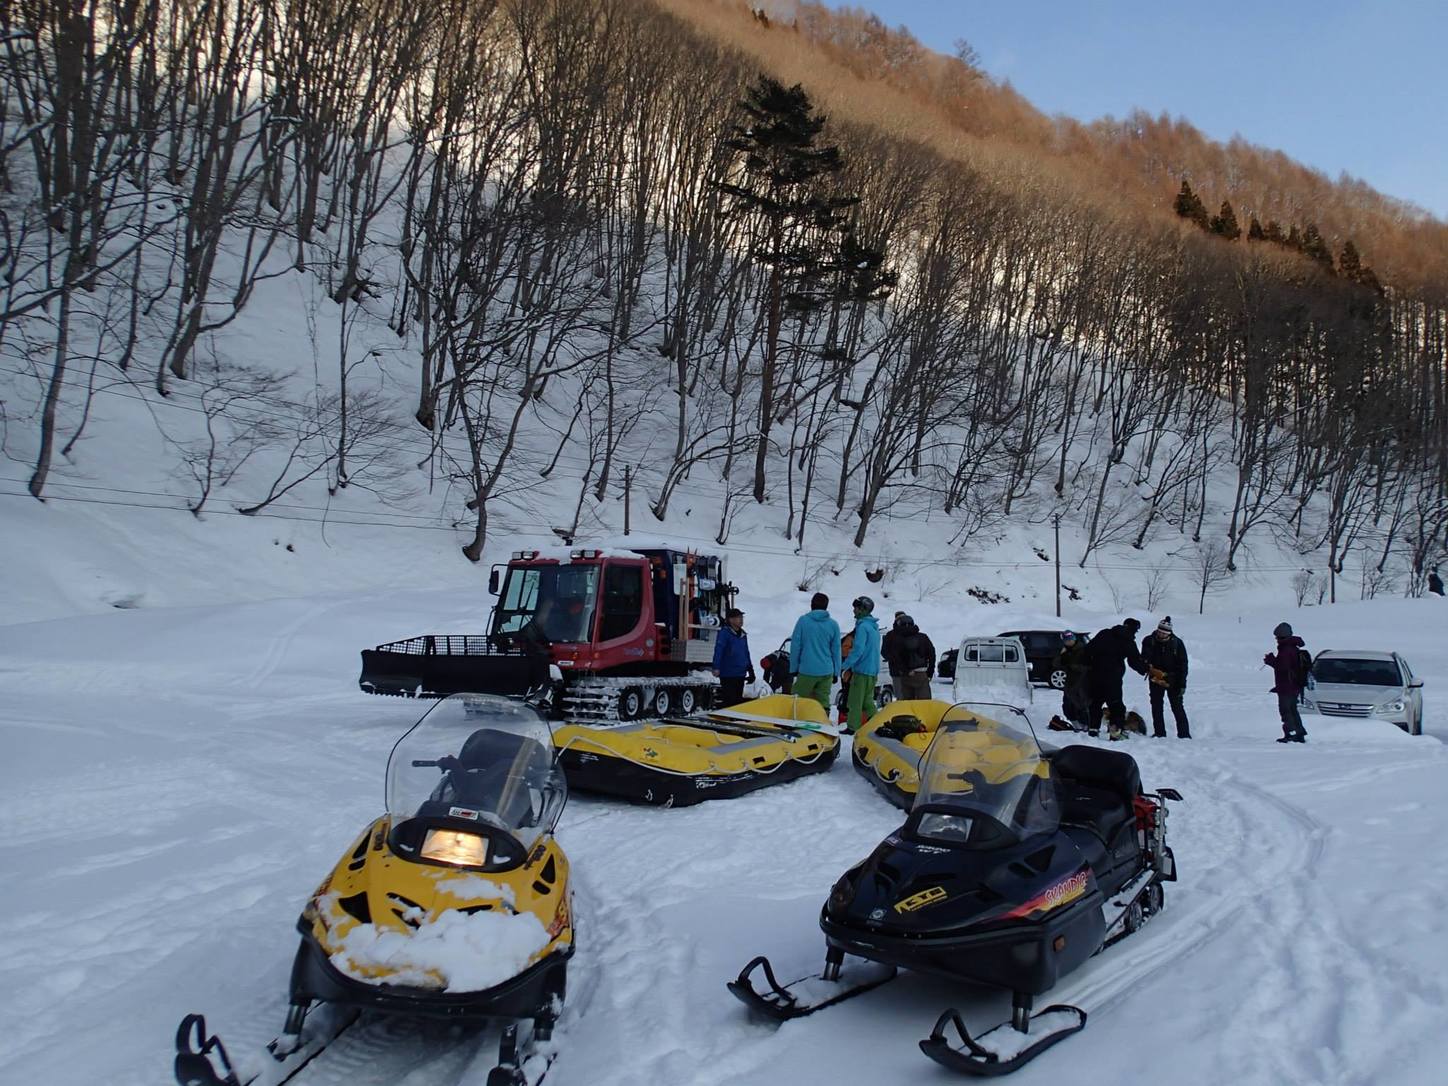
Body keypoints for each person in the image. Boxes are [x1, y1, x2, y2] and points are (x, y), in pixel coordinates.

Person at [1084, 618, 1148, 739]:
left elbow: (1088, 650)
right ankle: (1115, 733)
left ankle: (1093, 730)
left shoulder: (1104, 633)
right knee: (1116, 706)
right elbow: (1134, 661)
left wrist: (1090, 667)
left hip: (1095, 676)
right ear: (1134, 630)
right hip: (1113, 678)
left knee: (1095, 704)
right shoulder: (1128, 641)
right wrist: (1146, 669)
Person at [789, 593, 842, 714]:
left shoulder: (803, 621)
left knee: (798, 699)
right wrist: (836, 672)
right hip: (827, 670)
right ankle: (822, 722)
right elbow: (836, 650)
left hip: (807, 669)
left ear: (812, 604)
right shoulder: (833, 624)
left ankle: (797, 723)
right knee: (823, 700)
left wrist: (794, 668)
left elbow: (796, 646)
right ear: (826, 606)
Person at [1141, 616, 1191, 738]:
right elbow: (1144, 658)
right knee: (1156, 706)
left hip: (1173, 679)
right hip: (1155, 678)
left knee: (1177, 707)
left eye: (1164, 633)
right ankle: (1159, 733)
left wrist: (1182, 683)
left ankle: (1184, 734)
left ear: (1169, 633)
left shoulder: (1177, 643)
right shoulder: (1149, 640)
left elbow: (1183, 665)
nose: (1161, 634)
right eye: (1160, 631)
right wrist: (1148, 666)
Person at [840, 596, 882, 733]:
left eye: (856, 608)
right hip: (872, 671)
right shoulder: (874, 628)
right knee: (867, 701)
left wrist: (845, 665)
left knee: (855, 701)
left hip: (861, 671)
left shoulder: (863, 627)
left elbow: (858, 649)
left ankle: (852, 727)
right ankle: (878, 724)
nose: (854, 610)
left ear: (863, 610)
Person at [1264, 621, 1310, 743]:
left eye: (1277, 637)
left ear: (1281, 637)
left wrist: (1271, 660)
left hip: (1287, 686)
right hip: (1294, 685)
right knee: (1292, 709)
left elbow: (1282, 667)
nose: (1276, 640)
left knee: (1286, 711)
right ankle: (1299, 733)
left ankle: (1291, 733)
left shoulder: (1286, 649)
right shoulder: (1293, 647)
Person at [884, 614, 936, 700]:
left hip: (906, 676)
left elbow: (895, 658)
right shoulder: (923, 637)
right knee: (924, 703)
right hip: (922, 674)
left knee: (907, 704)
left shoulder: (897, 639)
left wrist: (905, 671)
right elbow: (932, 654)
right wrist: (930, 672)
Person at [711, 607, 754, 708]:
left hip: (740, 673)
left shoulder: (743, 635)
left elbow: (745, 652)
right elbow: (719, 650)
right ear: (731, 620)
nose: (741, 620)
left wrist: (750, 669)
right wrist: (716, 667)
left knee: (738, 701)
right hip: (728, 674)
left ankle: (735, 720)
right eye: (738, 617)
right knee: (729, 701)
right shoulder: (724, 633)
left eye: (741, 617)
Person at [1053, 631, 1090, 730]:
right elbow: (1056, 664)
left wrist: (1073, 667)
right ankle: (1076, 724)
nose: (1069, 642)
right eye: (1066, 640)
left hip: (1082, 682)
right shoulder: (1065, 651)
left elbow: (1088, 666)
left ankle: (1086, 726)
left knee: (1081, 705)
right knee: (1067, 705)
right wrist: (1062, 655)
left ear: (1074, 639)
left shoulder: (1083, 649)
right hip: (1070, 682)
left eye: (1071, 640)